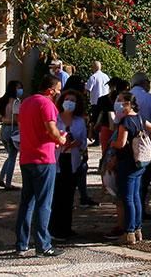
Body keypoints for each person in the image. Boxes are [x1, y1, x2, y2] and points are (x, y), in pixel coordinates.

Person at [14, 74, 67, 257]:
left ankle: (21, 244)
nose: (59, 93)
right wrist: (61, 138)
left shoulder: (26, 102)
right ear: (50, 90)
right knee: (44, 203)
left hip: (27, 156)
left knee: (26, 202)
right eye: (58, 90)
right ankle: (43, 244)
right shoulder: (47, 104)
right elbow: (51, 129)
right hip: (44, 158)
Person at [113, 90, 151, 245]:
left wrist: (111, 144)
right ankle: (138, 229)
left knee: (128, 198)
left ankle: (129, 231)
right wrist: (149, 147)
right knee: (137, 196)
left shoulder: (125, 122)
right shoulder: (139, 117)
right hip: (140, 162)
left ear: (128, 103)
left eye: (120, 100)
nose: (117, 103)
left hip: (127, 163)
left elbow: (120, 143)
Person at [49, 89, 89, 240]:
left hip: (72, 160)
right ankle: (54, 229)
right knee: (57, 196)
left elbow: (84, 141)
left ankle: (66, 227)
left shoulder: (79, 121)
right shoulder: (56, 119)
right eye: (68, 99)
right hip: (58, 159)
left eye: (73, 100)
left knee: (69, 196)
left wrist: (77, 143)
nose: (70, 103)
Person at [95, 77, 130, 237]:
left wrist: (113, 153)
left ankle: (125, 227)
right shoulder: (131, 118)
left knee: (122, 196)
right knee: (127, 195)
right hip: (110, 137)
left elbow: (120, 144)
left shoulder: (125, 121)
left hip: (118, 154)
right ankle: (131, 227)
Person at [129, 72, 151, 212]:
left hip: (127, 141)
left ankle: (132, 208)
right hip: (145, 142)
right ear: (145, 83)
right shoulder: (149, 98)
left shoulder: (123, 98)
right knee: (144, 176)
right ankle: (140, 208)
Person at [0, 80, 23, 190]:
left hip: (4, 128)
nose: (20, 90)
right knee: (12, 157)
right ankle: (8, 183)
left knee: (10, 155)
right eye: (18, 88)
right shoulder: (16, 102)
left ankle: (1, 178)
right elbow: (17, 118)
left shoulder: (2, 101)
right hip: (13, 129)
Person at [85, 61, 111, 127]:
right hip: (106, 102)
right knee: (104, 122)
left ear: (93, 67)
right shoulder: (106, 77)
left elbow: (87, 90)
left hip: (95, 103)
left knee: (95, 121)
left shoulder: (93, 77)